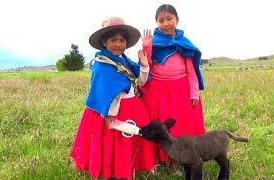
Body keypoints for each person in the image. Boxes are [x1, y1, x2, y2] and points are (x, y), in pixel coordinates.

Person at [70, 17, 155, 180]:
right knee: (114, 141)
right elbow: (102, 92)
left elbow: (141, 82)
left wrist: (144, 66)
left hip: (132, 107)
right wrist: (109, 117)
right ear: (104, 42)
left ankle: (132, 166)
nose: (118, 44)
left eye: (122, 40)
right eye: (113, 40)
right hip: (110, 111)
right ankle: (114, 169)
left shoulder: (123, 60)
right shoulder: (102, 63)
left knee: (130, 139)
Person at [141, 4, 206, 163]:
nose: (165, 23)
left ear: (177, 20)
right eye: (160, 20)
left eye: (169, 19)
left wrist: (194, 93)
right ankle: (161, 157)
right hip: (158, 91)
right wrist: (147, 46)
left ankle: (181, 157)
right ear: (156, 22)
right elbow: (146, 65)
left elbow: (191, 72)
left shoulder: (184, 43)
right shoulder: (153, 42)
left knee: (180, 125)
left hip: (181, 91)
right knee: (160, 123)